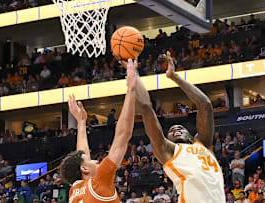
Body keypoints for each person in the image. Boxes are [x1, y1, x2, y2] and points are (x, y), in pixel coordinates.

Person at [134, 52, 225, 203]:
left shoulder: (203, 145)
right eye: (171, 131)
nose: (176, 130)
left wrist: (174, 76)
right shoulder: (169, 151)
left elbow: (205, 105)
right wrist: (134, 75)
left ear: (191, 136)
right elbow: (146, 108)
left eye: (180, 128)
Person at [60, 59, 137, 203]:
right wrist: (131, 89)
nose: (96, 161)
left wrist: (81, 123)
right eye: (92, 161)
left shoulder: (74, 191)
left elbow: (82, 155)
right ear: (85, 169)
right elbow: (122, 134)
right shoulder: (98, 183)